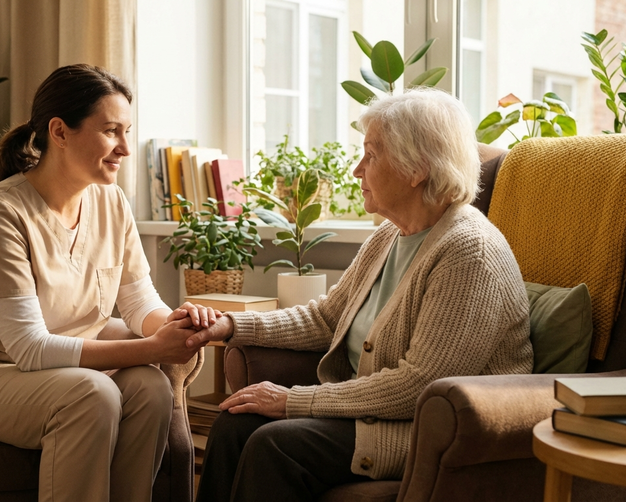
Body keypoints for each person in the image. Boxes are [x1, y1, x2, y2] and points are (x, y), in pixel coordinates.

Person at [189, 88, 535, 502]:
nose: (357, 170)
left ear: (416, 168)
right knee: (232, 424)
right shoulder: (389, 235)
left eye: (371, 155)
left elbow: (419, 385)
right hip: (368, 415)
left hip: (425, 431)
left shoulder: (468, 251)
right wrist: (228, 326)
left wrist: (295, 401)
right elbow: (325, 319)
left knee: (275, 443)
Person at [0, 64, 215, 502]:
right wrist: (153, 349)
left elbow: (137, 304)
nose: (125, 149)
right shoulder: (0, 214)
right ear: (60, 131)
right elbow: (30, 348)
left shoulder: (111, 202)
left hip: (64, 371)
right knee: (91, 394)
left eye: (127, 131)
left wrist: (176, 324)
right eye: (111, 131)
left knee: (151, 387)